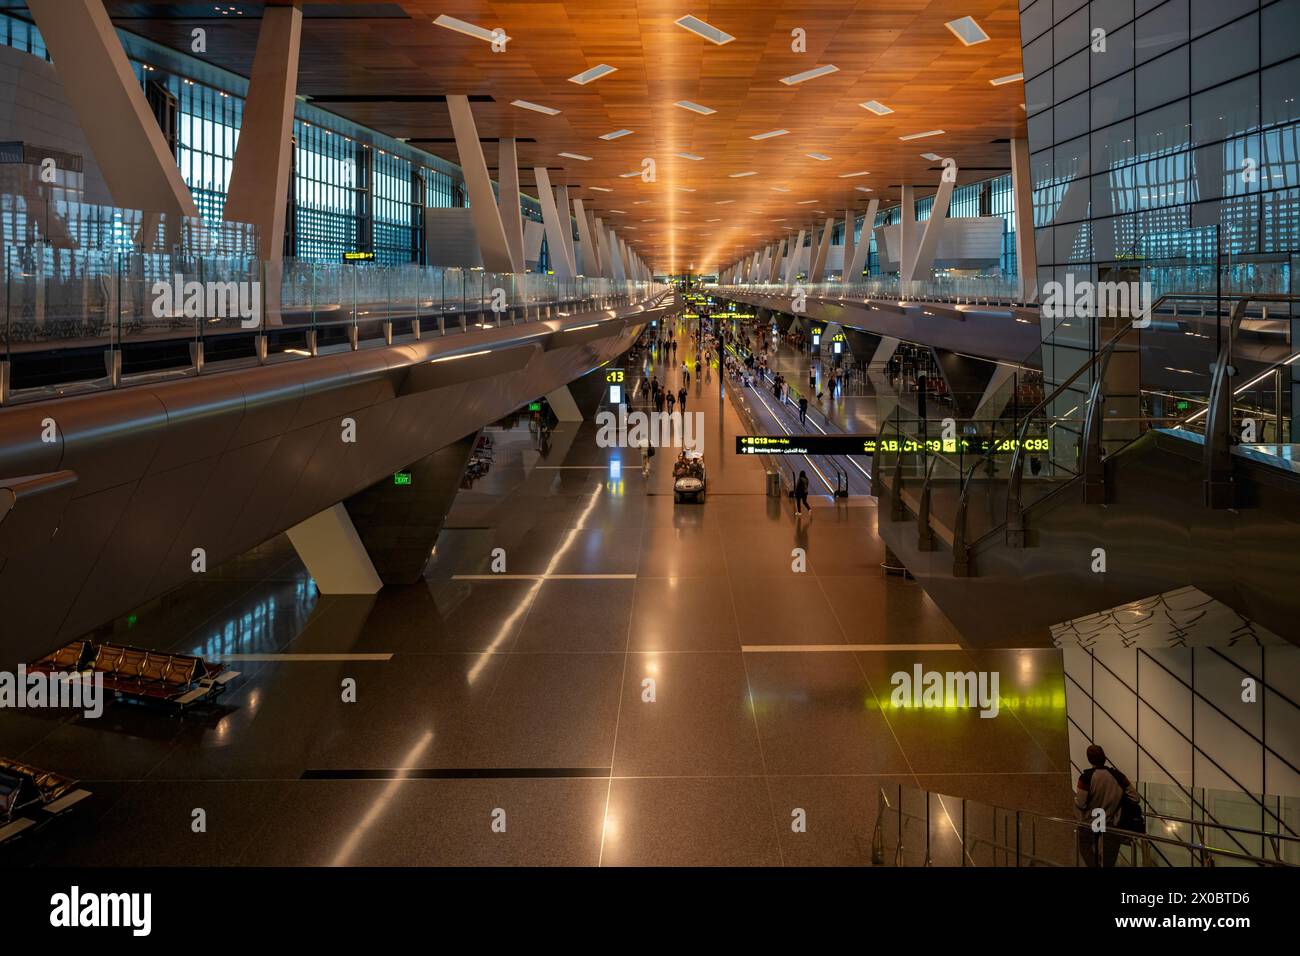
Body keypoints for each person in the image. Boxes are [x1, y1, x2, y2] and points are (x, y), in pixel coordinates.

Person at [1075, 744, 1138, 868]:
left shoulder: (1086, 778)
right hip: (1112, 824)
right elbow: (1135, 797)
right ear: (1104, 757)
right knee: (1109, 861)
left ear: (1089, 759)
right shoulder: (1118, 776)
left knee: (1086, 849)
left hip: (1090, 823)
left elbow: (1081, 803)